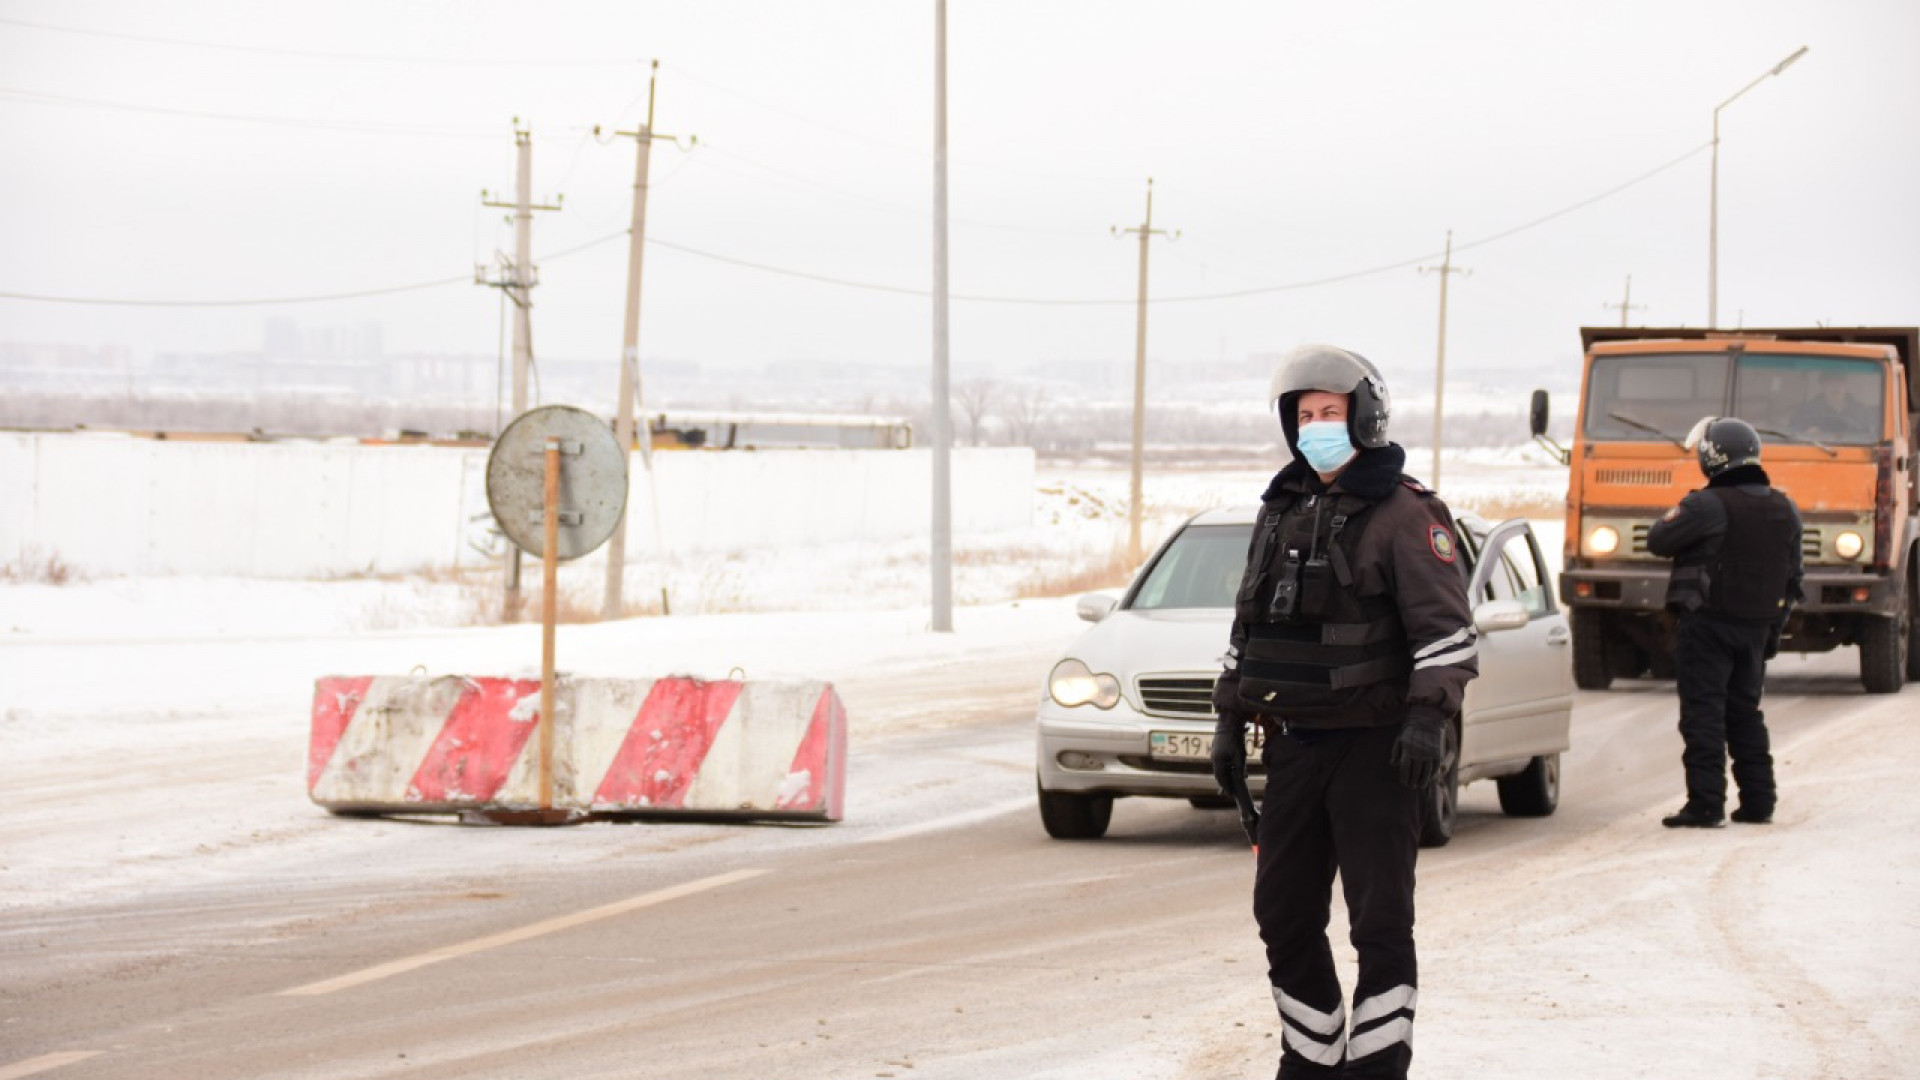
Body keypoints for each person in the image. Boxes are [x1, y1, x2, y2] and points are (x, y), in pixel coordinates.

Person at [1210, 344, 1480, 1080]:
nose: (1315, 426)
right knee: (1284, 917)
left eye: (1330, 413)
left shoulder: (1406, 513)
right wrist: (1229, 721)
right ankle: (1312, 1062)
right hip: (1294, 746)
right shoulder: (1282, 508)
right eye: (1304, 415)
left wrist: (1428, 718)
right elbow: (1248, 626)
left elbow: (1447, 634)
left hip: (1376, 749)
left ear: (1364, 417)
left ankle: (1377, 1068)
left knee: (1380, 925)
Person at [1647, 416, 1803, 828]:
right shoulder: (1784, 506)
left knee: (1703, 714)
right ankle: (1758, 801)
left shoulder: (1704, 504)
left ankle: (1706, 803)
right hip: (1757, 626)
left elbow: (1658, 540)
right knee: (1745, 713)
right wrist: (1773, 628)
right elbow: (1794, 576)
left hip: (1708, 625)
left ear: (1711, 457)